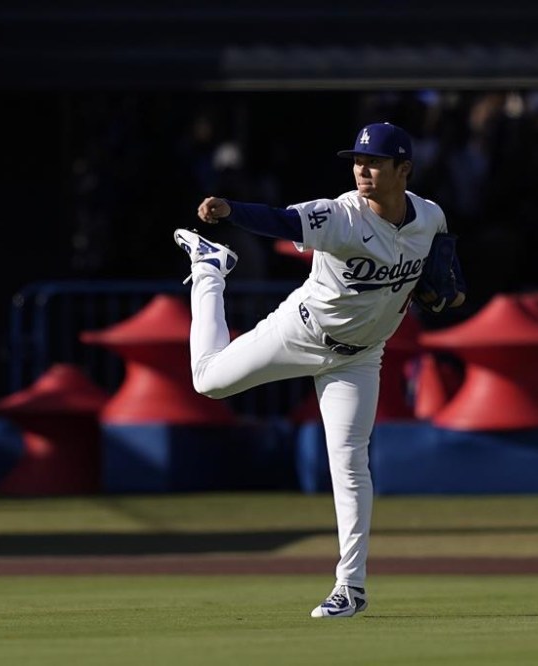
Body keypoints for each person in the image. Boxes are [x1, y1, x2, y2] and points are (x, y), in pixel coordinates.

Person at [173, 122, 466, 618]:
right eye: (357, 160)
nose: (362, 170)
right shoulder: (341, 215)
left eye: (374, 162)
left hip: (360, 358)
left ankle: (350, 588)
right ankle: (209, 268)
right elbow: (283, 221)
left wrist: (448, 295)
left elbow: (447, 281)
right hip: (301, 330)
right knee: (208, 380)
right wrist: (230, 212)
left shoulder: (430, 218)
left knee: (351, 464)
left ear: (404, 170)